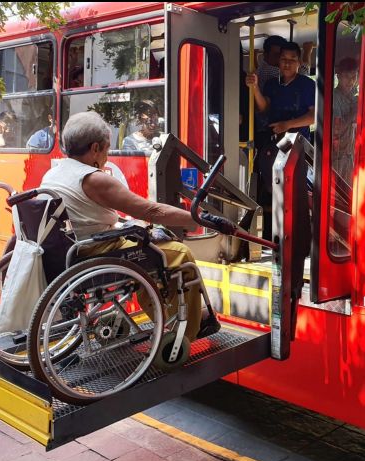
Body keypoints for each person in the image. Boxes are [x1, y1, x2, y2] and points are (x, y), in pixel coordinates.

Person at [41, 111, 228, 343]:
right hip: (97, 252)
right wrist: (200, 218)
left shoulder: (53, 174)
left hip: (74, 251)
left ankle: (163, 315)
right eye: (108, 149)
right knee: (181, 255)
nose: (107, 156)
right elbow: (153, 211)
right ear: (96, 148)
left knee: (150, 253)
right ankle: (187, 332)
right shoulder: (93, 178)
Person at [246, 41, 316, 239]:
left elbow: (313, 116)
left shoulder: (307, 84)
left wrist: (288, 124)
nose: (287, 64)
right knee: (272, 190)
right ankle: (273, 234)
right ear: (278, 62)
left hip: (297, 145)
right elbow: (264, 108)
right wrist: (255, 89)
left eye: (292, 60)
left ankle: (297, 236)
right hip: (273, 144)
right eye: (284, 59)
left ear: (298, 62)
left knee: (294, 192)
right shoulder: (271, 85)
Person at [332, 57, 359, 179]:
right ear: (338, 77)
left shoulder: (354, 96)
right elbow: (338, 128)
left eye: (354, 77)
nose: (351, 81)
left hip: (352, 154)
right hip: (337, 155)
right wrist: (354, 111)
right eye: (347, 77)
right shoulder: (334, 98)